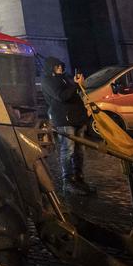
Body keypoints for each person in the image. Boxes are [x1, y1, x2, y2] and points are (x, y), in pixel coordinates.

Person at [41, 57, 95, 195]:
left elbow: (74, 95)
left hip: (77, 119)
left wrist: (80, 86)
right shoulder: (47, 80)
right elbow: (61, 96)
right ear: (50, 67)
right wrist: (76, 85)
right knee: (68, 151)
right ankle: (68, 182)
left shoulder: (66, 79)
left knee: (79, 151)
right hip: (64, 121)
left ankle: (79, 179)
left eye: (60, 66)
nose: (59, 68)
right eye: (56, 66)